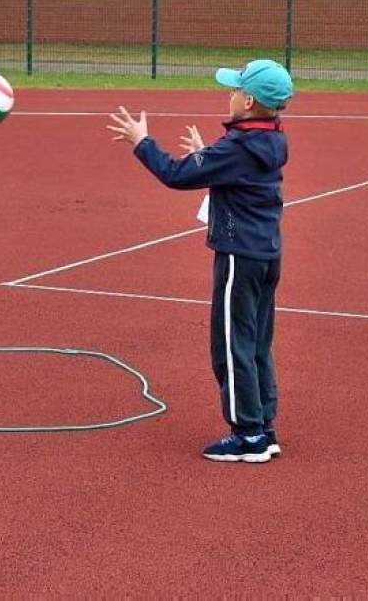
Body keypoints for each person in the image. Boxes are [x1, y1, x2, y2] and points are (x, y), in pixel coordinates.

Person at [107, 59, 294, 463]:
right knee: (257, 343)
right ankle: (263, 425)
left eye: (233, 90)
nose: (227, 95)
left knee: (230, 346)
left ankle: (247, 435)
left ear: (247, 100)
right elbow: (234, 175)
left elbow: (175, 174)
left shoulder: (238, 147)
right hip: (266, 255)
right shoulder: (270, 140)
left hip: (238, 257)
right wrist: (207, 157)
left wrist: (142, 142)